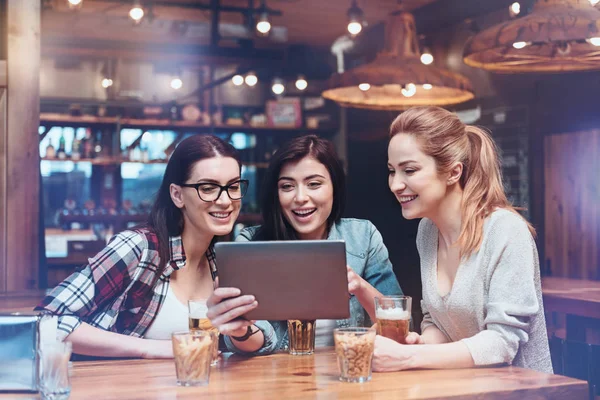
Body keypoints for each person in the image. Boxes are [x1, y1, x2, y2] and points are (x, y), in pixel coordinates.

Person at [36, 135, 269, 358]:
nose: (226, 200)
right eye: (208, 188)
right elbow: (47, 322)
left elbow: (261, 338)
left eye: (234, 186)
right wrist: (150, 349)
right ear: (177, 195)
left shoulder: (223, 261)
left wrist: (241, 331)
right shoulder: (141, 248)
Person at [375, 106, 552, 373]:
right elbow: (436, 320)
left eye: (409, 170)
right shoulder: (427, 231)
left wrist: (408, 358)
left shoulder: (504, 230)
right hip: (463, 387)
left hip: (518, 392)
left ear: (453, 172)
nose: (395, 184)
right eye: (392, 171)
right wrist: (420, 345)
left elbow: (503, 343)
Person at [207, 135, 403, 355]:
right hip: (277, 377)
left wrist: (358, 285)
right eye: (287, 186)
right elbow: (257, 341)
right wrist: (240, 329)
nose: (300, 197)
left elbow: (399, 326)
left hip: (348, 369)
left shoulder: (363, 236)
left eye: (314, 184)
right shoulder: (250, 243)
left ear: (334, 187)